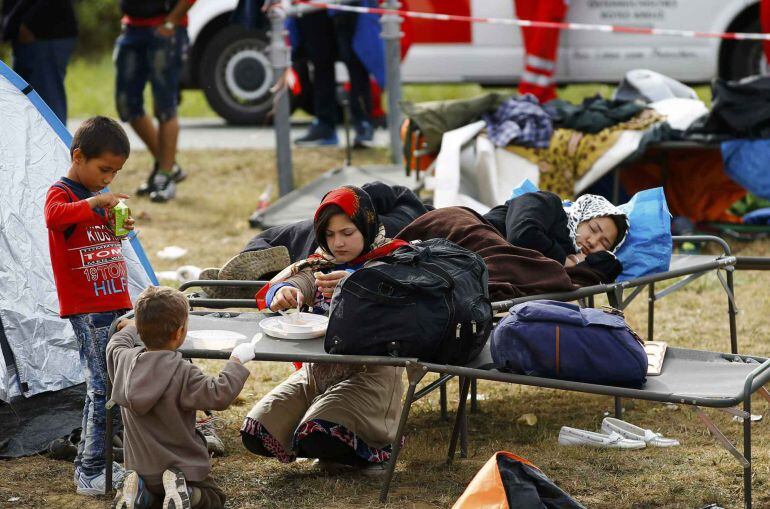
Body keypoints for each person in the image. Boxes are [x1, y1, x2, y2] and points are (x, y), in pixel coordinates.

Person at [241, 186, 407, 473]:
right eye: (329, 235)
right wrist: (286, 293)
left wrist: (358, 282)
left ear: (365, 227)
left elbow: (404, 295)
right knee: (256, 432)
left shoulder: (395, 259)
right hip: (315, 374)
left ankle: (368, 452)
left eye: (347, 232)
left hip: (371, 376)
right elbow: (297, 282)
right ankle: (320, 437)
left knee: (320, 433)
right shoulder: (321, 262)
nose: (337, 243)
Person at [43, 116, 133, 495]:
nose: (109, 178)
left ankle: (94, 461)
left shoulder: (96, 199)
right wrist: (94, 201)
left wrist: (120, 226)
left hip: (114, 301)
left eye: (115, 172)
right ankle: (91, 470)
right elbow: (53, 217)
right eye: (104, 169)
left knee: (109, 384)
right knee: (101, 388)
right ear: (78, 156)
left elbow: (103, 239)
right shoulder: (62, 193)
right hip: (88, 308)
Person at [107, 286, 253, 509]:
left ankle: (139, 491)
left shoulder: (123, 360)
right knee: (213, 498)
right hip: (182, 469)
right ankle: (188, 492)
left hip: (142, 467)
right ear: (179, 333)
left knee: (157, 501)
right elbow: (219, 394)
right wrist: (236, 362)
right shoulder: (183, 371)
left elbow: (115, 344)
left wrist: (132, 327)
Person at [114, 0, 194, 203]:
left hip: (166, 28)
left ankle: (165, 177)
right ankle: (168, 166)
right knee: (126, 105)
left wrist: (171, 22)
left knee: (165, 108)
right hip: (132, 28)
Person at [291, 2, 382, 147]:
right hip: (312, 9)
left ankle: (363, 124)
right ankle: (325, 127)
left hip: (346, 6)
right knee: (320, 65)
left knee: (355, 62)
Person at [483, 191, 628, 277]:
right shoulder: (548, 202)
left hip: (485, 269)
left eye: (604, 243)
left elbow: (608, 268)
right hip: (473, 234)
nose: (593, 242)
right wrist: (566, 261)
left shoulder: (577, 260)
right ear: (581, 217)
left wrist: (576, 261)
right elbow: (522, 235)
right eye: (594, 228)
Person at [1, 0, 78, 123]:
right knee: (22, 108)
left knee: (47, 107)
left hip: (46, 33)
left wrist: (29, 24)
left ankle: (56, 143)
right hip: (23, 35)